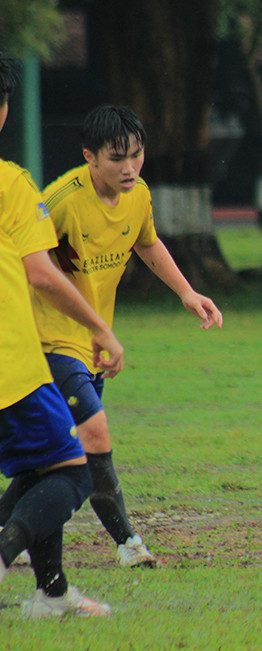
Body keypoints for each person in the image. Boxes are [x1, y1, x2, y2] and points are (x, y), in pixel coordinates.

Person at [29, 105, 224, 568]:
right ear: (89, 158)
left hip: (94, 342)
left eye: (136, 154)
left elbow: (147, 242)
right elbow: (29, 269)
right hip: (48, 340)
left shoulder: (137, 196)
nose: (130, 166)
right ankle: (129, 544)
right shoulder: (59, 203)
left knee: (59, 453)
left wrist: (187, 292)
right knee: (92, 433)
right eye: (117, 158)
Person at [0, 53, 119, 617]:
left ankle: (51, 594)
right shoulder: (12, 184)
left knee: (37, 467)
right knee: (71, 473)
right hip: (12, 367)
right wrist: (100, 327)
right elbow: (41, 273)